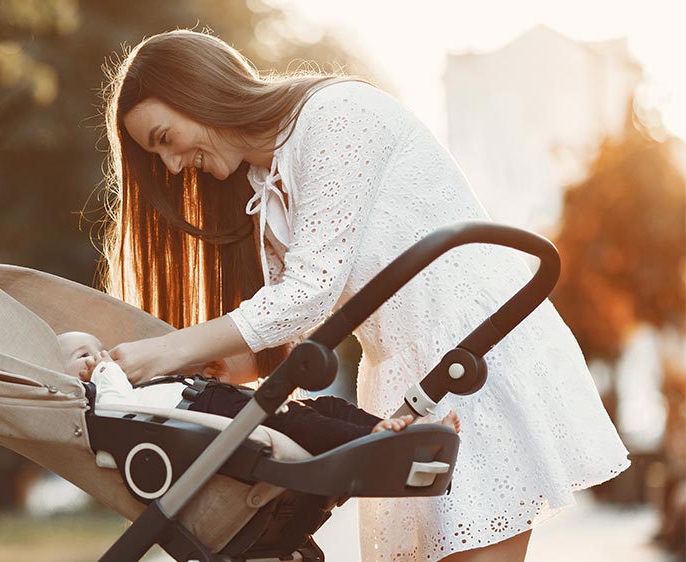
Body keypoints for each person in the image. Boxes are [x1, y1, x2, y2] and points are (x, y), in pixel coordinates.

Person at [95, 29, 630, 562]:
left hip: (472, 349)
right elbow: (287, 318)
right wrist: (209, 371)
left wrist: (163, 351)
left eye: (164, 138)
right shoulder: (266, 185)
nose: (169, 165)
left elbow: (307, 294)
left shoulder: (335, 117)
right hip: (411, 373)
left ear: (199, 92)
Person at [57, 330, 460, 454]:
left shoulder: (128, 382)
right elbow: (115, 403)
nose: (98, 356)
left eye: (99, 348)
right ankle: (374, 442)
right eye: (82, 355)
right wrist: (107, 368)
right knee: (295, 419)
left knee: (325, 405)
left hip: (210, 401)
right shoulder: (99, 401)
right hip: (206, 409)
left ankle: (395, 431)